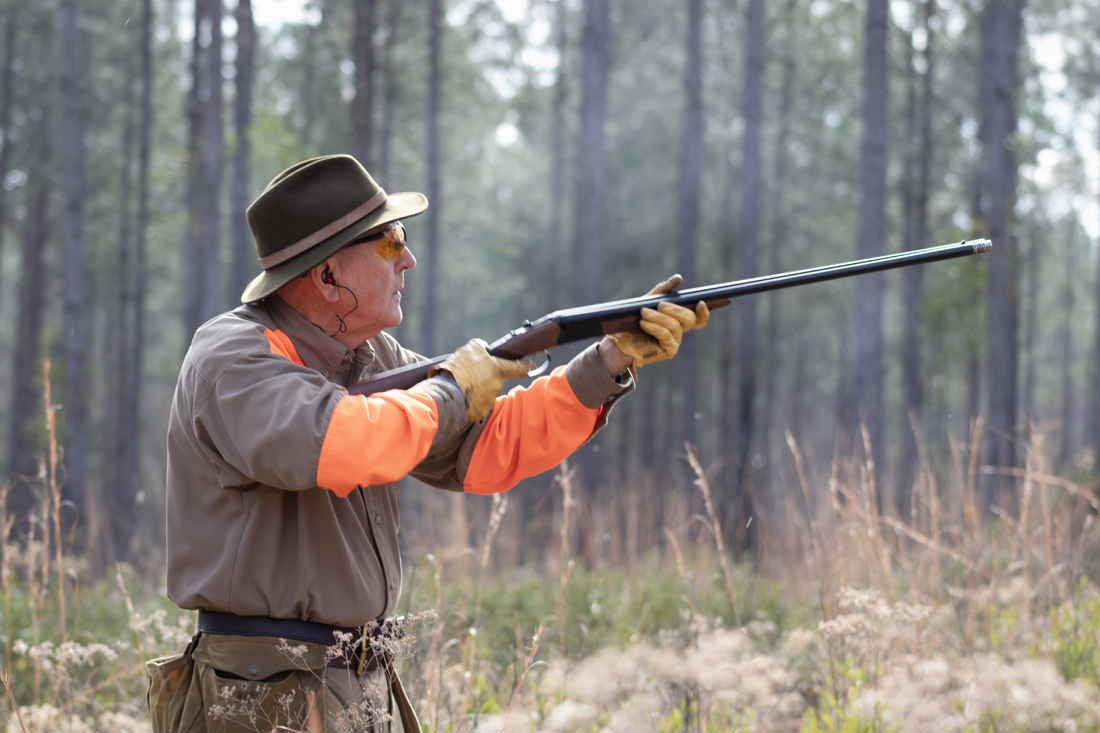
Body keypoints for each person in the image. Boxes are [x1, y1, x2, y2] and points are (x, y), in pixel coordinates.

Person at [147, 154, 708, 733]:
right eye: (390, 242)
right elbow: (341, 442)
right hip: (259, 694)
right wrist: (452, 392)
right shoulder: (234, 357)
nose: (408, 259)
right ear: (328, 276)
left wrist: (608, 361)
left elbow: (486, 447)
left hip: (354, 680)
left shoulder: (370, 358)